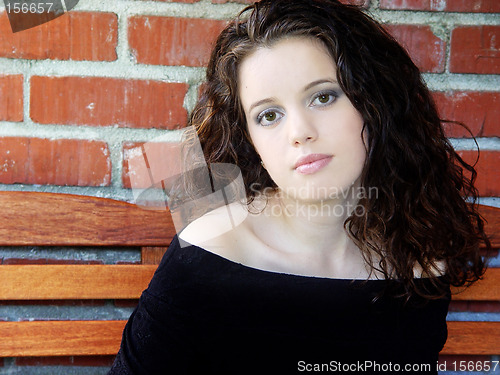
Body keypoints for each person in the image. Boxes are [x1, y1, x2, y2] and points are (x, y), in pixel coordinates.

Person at [108, 0, 490, 374]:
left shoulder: (417, 253)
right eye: (268, 115)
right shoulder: (209, 253)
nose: (300, 133)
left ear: (376, 103)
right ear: (250, 139)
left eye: (323, 97)